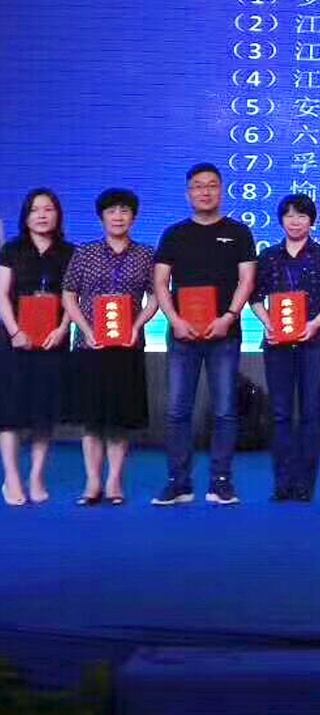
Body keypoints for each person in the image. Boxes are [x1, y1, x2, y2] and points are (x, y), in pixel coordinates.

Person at [152, 163, 257, 506]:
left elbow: (247, 280)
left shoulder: (239, 232)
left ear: (221, 190)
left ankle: (221, 482)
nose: (205, 191)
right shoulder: (174, 234)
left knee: (225, 410)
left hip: (224, 334)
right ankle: (178, 483)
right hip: (182, 335)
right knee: (177, 411)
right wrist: (174, 320)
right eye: (198, 186)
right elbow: (160, 282)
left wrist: (229, 317)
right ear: (189, 193)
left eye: (212, 185)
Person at [61, 189, 158, 506]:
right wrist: (86, 329)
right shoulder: (85, 253)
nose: (118, 217)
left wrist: (136, 326)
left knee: (119, 419)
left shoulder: (146, 254)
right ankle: (92, 483)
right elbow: (69, 295)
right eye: (112, 211)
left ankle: (114, 482)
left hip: (127, 345)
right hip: (90, 345)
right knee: (92, 420)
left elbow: (156, 297)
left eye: (124, 211)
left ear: (133, 217)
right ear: (101, 217)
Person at [251, 194, 320, 502]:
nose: (295, 221)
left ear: (312, 222)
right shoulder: (268, 256)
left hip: (313, 342)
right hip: (277, 344)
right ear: (281, 220)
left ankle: (305, 484)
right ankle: (283, 482)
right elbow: (255, 297)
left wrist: (313, 325)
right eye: (289, 215)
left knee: (310, 413)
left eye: (301, 216)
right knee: (280, 414)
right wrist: (269, 324)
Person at [0, 189, 74, 506]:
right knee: (9, 413)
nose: (42, 215)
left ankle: (37, 477)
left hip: (52, 341)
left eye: (48, 209)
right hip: (14, 341)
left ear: (58, 214)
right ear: (26, 216)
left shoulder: (69, 252)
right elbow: (2, 295)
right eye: (35, 209)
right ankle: (12, 478)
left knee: (45, 412)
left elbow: (73, 299)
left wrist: (63, 329)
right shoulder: (11, 250)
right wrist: (15, 331)